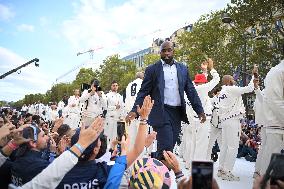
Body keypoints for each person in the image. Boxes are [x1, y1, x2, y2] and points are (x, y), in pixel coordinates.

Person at [126, 41, 205, 160]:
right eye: (164, 51)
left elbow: (190, 90)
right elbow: (143, 92)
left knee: (169, 147)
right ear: (160, 52)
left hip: (177, 113)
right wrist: (134, 110)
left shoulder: (183, 69)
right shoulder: (152, 69)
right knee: (167, 148)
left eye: (169, 50)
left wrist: (199, 110)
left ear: (173, 51)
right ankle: (162, 176)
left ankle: (157, 171)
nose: (166, 53)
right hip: (161, 112)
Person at [217, 69, 259, 181]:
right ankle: (227, 171)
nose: (234, 80)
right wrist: (253, 75)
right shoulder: (231, 89)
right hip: (232, 120)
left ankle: (221, 169)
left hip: (225, 121)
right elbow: (249, 89)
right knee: (233, 147)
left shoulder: (222, 92)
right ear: (229, 81)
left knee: (226, 146)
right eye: (232, 79)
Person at [189, 58, 220, 161]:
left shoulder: (192, 87)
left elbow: (202, 80)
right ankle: (197, 172)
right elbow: (216, 79)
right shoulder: (202, 88)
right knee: (201, 146)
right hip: (203, 119)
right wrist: (211, 68)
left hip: (195, 119)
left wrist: (204, 71)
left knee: (194, 144)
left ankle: (191, 167)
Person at [258, 59, 284, 175]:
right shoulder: (277, 72)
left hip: (275, 125)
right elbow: (275, 102)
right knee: (271, 172)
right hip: (277, 127)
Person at [125, 71, 144, 148]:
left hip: (130, 113)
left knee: (131, 137)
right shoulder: (143, 83)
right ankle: (140, 157)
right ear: (142, 77)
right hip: (140, 113)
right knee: (141, 137)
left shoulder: (129, 85)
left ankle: (131, 157)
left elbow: (126, 100)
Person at [104, 81, 124, 145]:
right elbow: (105, 107)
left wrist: (121, 116)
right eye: (113, 85)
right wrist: (114, 107)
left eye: (116, 85)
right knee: (108, 135)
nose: (115, 87)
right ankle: (107, 150)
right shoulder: (107, 95)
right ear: (111, 86)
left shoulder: (120, 96)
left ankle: (113, 150)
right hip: (110, 117)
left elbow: (122, 107)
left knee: (115, 136)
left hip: (117, 118)